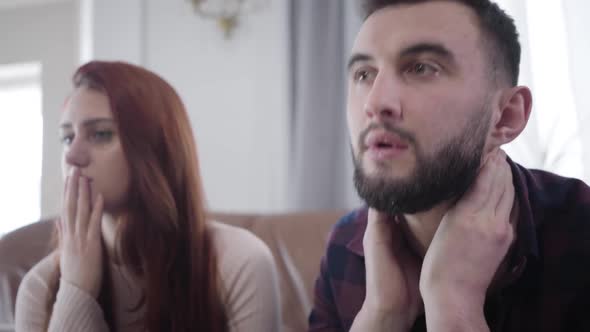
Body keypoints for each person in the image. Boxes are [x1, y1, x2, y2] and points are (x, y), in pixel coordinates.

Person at [309, 0, 590, 331]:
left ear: (506, 116)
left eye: (422, 68)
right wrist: (382, 316)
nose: (375, 103)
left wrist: (455, 306)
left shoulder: (580, 230)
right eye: (363, 74)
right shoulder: (345, 247)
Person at [15, 61, 281, 332]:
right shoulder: (39, 287)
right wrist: (76, 289)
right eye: (68, 138)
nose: (72, 156)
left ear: (156, 148)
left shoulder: (238, 261)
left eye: (101, 134)